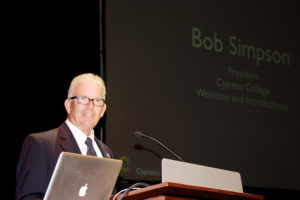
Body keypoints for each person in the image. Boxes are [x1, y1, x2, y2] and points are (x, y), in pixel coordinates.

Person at [16, 73, 112, 200]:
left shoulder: (107, 153)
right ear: (68, 105)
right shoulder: (41, 144)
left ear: (103, 110)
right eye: (83, 99)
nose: (90, 106)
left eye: (97, 101)